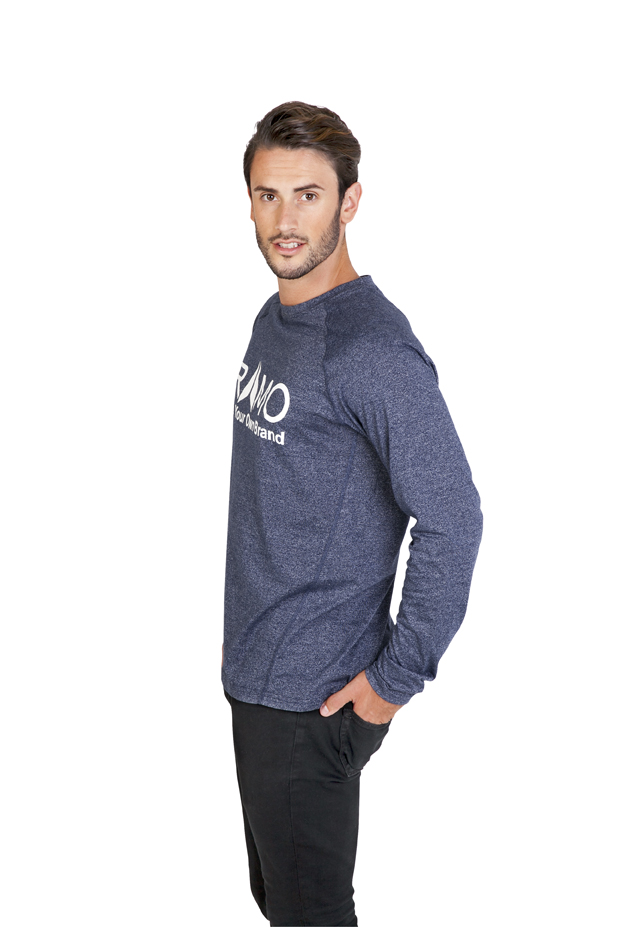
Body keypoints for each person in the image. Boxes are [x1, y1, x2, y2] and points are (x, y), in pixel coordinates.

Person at [221, 101, 483, 927]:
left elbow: (454, 516)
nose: (285, 220)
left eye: (308, 196)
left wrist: (393, 681)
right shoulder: (277, 317)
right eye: (268, 195)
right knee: (281, 901)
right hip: (258, 681)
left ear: (351, 201)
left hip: (315, 702)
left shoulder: (371, 349)